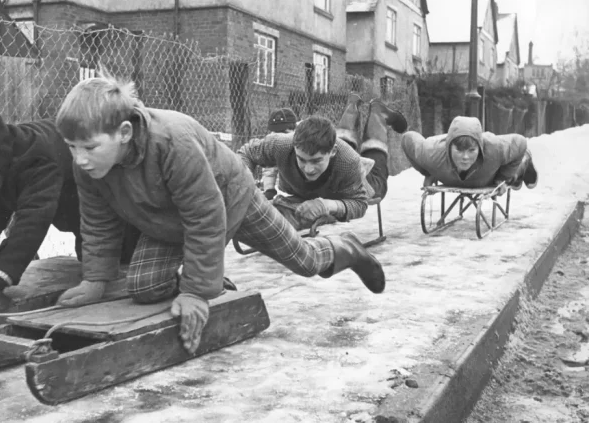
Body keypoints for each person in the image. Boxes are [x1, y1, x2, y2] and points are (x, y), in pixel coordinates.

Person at [53, 73, 385, 355]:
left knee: (305, 262)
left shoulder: (172, 143)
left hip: (233, 200)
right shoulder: (89, 164)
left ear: (124, 133)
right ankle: (216, 282)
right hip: (169, 221)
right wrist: (96, 279)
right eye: (72, 147)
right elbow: (98, 220)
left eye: (89, 147)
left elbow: (206, 216)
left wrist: (195, 293)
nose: (79, 158)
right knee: (145, 287)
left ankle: (346, 248)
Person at [0, 103, 140, 299]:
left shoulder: (37, 159)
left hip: (116, 204)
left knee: (123, 268)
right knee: (88, 264)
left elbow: (33, 219)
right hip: (76, 208)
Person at [237, 95, 408, 230]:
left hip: (360, 179)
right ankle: (352, 106)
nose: (308, 169)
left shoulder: (347, 161)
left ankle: (378, 113)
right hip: (333, 164)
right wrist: (245, 190)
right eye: (301, 160)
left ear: (332, 152)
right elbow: (246, 153)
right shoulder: (281, 145)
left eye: (315, 161)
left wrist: (328, 205)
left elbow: (360, 204)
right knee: (342, 140)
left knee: (374, 154)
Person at [401, 115, 538, 189]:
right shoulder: (431, 153)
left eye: (471, 150)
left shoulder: (495, 148)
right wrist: (428, 172)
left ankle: (524, 164)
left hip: (489, 173)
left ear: (479, 147)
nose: (465, 157)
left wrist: (503, 178)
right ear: (449, 147)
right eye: (459, 150)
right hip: (452, 170)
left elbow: (520, 143)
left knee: (512, 176)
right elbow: (407, 139)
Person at [261, 108, 298, 200]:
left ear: (295, 131)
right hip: (284, 189)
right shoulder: (273, 144)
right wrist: (269, 189)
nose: (279, 138)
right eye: (275, 134)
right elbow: (269, 168)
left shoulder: (302, 142)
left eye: (284, 133)